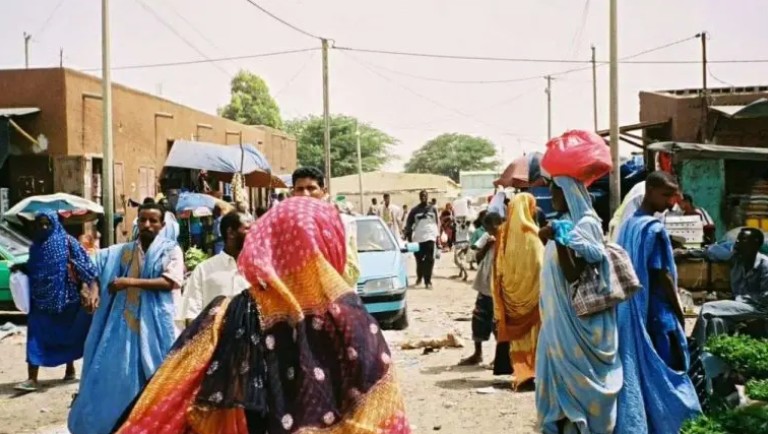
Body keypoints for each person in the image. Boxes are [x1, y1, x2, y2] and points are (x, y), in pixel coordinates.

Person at [113, 198, 409, 434]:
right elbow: (382, 414)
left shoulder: (226, 314)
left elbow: (171, 396)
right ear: (328, 243)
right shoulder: (350, 317)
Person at [68, 202, 185, 434]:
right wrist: (90, 287)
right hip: (124, 327)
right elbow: (92, 266)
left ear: (162, 225)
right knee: (117, 379)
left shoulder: (170, 250)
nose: (147, 225)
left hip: (158, 328)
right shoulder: (122, 252)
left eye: (153, 221)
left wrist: (128, 282)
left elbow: (169, 282)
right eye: (143, 220)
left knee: (159, 379)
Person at [615, 171, 701, 433]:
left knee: (645, 373)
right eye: (665, 195)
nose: (671, 202)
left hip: (633, 312)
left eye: (673, 196)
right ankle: (676, 424)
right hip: (660, 314)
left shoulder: (629, 225)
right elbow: (662, 275)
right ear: (649, 191)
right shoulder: (653, 229)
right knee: (669, 374)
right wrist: (680, 314)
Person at [536, 177, 622, 434]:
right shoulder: (562, 222)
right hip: (556, 320)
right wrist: (547, 236)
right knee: (558, 381)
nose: (552, 200)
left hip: (577, 322)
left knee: (578, 384)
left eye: (556, 194)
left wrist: (560, 239)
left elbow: (574, 274)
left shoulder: (585, 225)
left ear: (569, 194)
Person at [13, 210, 99, 392]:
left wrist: (91, 288)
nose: (43, 227)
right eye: (40, 224)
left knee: (67, 335)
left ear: (54, 224)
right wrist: (21, 268)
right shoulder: (36, 246)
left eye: (47, 224)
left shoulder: (68, 242)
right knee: (35, 336)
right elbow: (34, 268)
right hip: (40, 301)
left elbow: (86, 266)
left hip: (66, 299)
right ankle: (32, 378)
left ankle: (70, 369)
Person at [492, 193, 544, 390]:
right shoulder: (533, 235)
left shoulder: (503, 233)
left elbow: (497, 269)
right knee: (533, 336)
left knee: (518, 341)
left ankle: (520, 372)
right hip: (533, 297)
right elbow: (540, 264)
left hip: (510, 297)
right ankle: (532, 371)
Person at [691, 227, 768, 347]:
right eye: (738, 239)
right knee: (717, 322)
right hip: (742, 306)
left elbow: (765, 298)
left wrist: (738, 300)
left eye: (743, 239)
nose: (737, 242)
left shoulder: (765, 265)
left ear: (755, 244)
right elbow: (711, 252)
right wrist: (687, 252)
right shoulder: (736, 258)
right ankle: (714, 356)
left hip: (759, 308)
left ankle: (696, 350)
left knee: (707, 308)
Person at [179, 211, 252, 325]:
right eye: (248, 229)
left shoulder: (259, 270)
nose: (254, 233)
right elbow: (191, 314)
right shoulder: (204, 270)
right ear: (231, 233)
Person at [291, 166, 360, 286]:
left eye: (311, 188)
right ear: (293, 193)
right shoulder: (285, 226)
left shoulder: (343, 223)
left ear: (324, 191)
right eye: (300, 189)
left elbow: (352, 274)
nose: (305, 194)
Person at [458, 212, 502, 366]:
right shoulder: (487, 238)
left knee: (497, 324)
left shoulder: (507, 239)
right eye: (487, 228)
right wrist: (487, 246)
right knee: (478, 320)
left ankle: (499, 357)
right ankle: (478, 354)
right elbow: (476, 258)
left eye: (491, 228)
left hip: (498, 289)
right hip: (484, 286)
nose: (489, 231)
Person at [405, 190, 439, 289]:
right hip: (418, 238)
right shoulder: (414, 210)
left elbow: (437, 223)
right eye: (422, 196)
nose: (424, 197)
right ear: (419, 197)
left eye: (425, 195)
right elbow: (409, 224)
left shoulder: (433, 209)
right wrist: (409, 236)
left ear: (427, 197)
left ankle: (428, 281)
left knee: (430, 259)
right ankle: (419, 277)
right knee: (419, 260)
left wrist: (438, 236)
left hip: (430, 237)